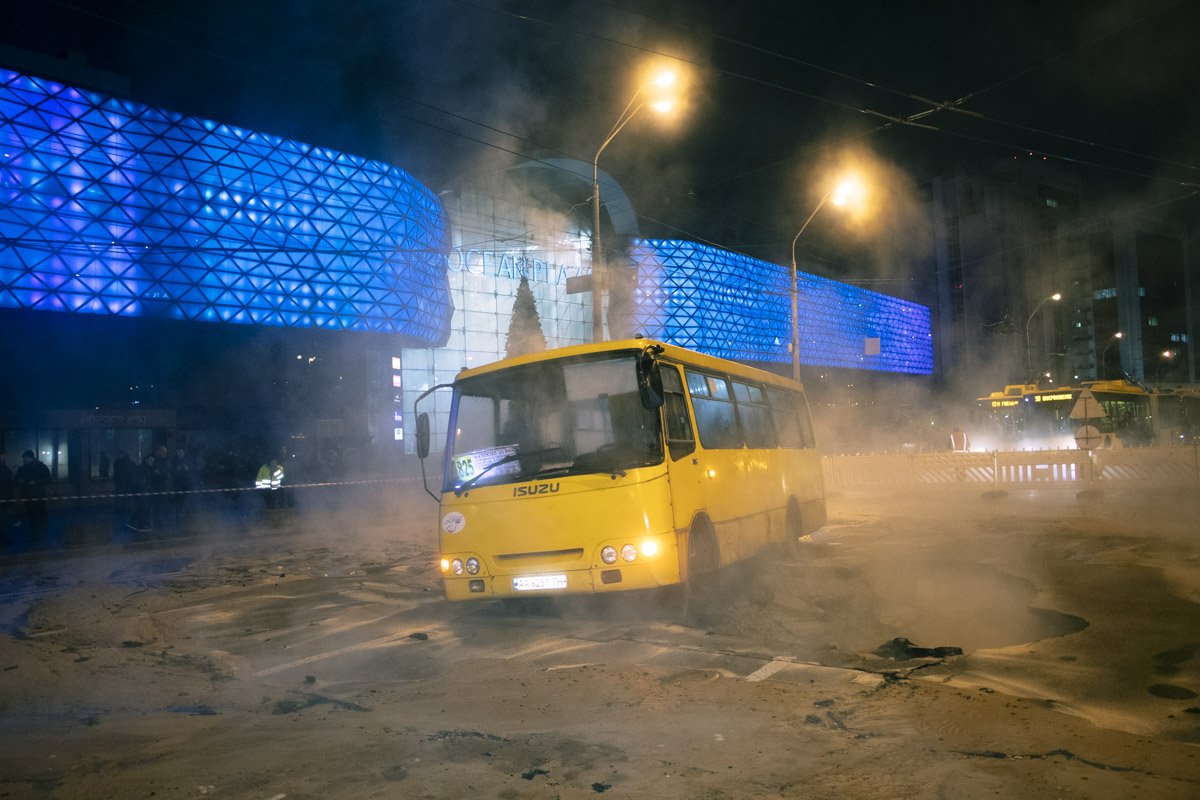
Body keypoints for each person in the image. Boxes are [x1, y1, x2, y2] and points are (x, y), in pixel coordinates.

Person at [14, 450, 51, 544]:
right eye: (24, 459)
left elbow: (48, 478)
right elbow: (16, 480)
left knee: (38, 516)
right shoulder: (23, 468)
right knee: (32, 517)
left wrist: (36, 482)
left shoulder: (40, 467)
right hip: (29, 496)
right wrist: (19, 481)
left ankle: (40, 537)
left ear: (30, 458)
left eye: (25, 458)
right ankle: (37, 537)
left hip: (37, 496)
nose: (24, 460)